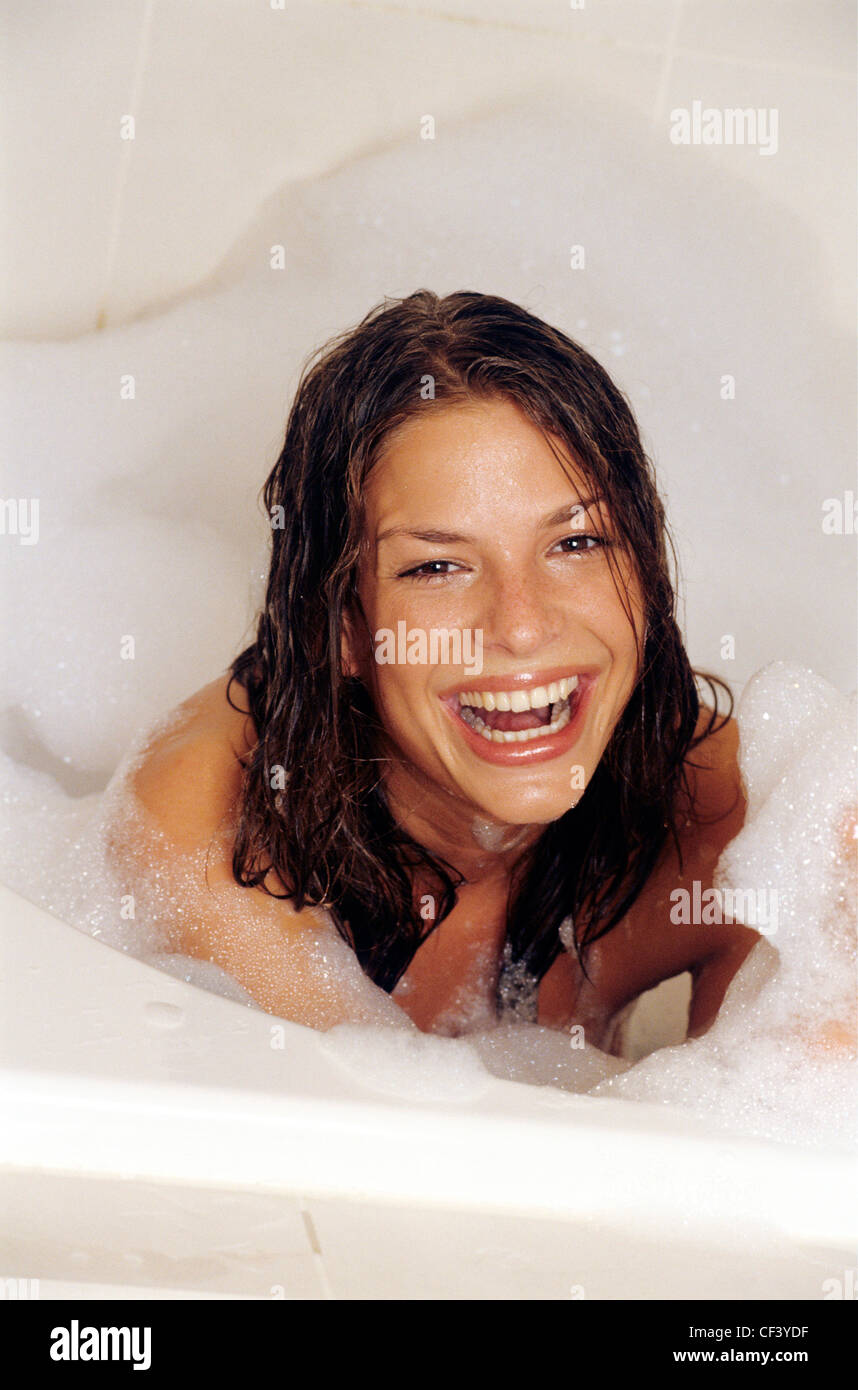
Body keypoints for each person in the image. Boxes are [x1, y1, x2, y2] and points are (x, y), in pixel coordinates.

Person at [111, 290, 761, 1050]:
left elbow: (769, 1132)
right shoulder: (212, 830)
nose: (522, 626)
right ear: (344, 627)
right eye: (437, 566)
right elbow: (357, 1149)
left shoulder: (731, 825)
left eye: (576, 544)